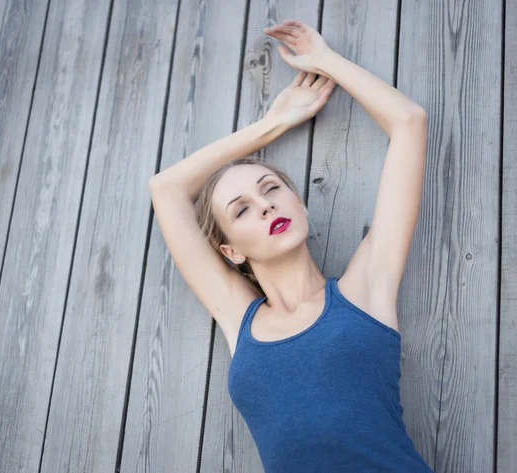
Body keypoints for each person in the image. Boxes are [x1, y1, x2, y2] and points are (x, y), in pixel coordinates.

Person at [148, 19, 432, 473]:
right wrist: (272, 124)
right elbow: (166, 188)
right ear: (231, 252)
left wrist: (325, 61)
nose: (264, 206)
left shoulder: (364, 289)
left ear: (298, 203)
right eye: (241, 210)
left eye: (271, 189)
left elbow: (409, 122)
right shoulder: (237, 316)